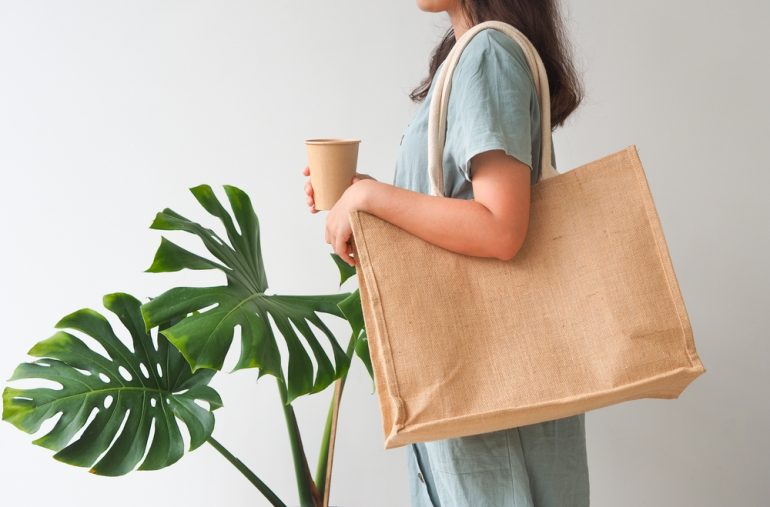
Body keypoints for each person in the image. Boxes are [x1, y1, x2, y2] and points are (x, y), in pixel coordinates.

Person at [302, 1, 588, 505]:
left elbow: (500, 228)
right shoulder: (464, 56)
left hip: (491, 381)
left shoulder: (488, 52)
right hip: (479, 376)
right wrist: (364, 195)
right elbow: (458, 209)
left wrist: (371, 198)